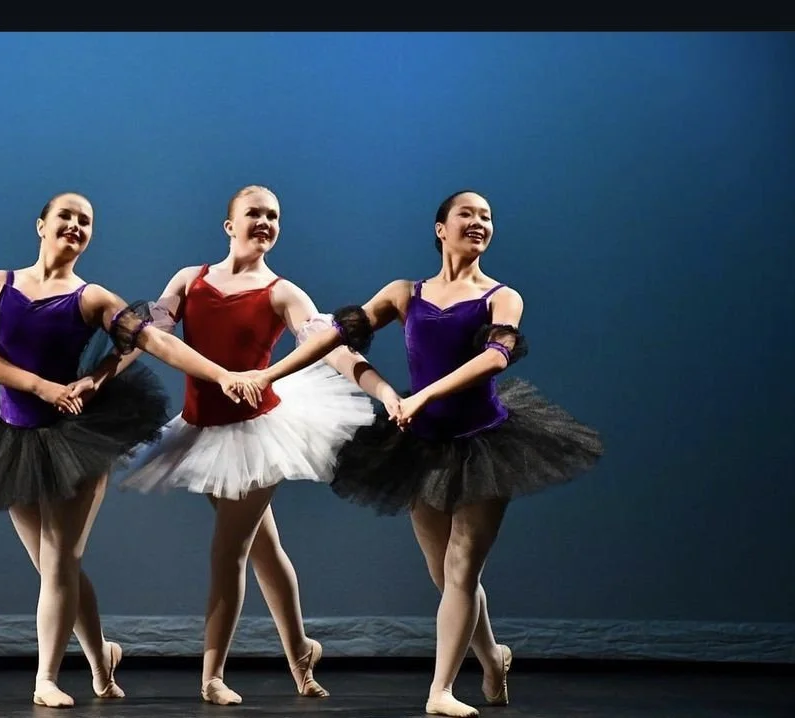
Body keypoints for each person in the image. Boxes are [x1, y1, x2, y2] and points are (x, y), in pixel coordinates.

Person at [246, 190, 604, 717]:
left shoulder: (501, 297)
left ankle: (440, 691)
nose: (479, 222)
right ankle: (493, 659)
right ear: (441, 228)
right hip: (420, 446)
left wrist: (426, 394)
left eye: (487, 217)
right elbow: (336, 339)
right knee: (444, 575)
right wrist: (280, 374)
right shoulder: (403, 294)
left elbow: (496, 357)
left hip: (485, 442)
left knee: (462, 570)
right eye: (467, 214)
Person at [0, 191, 263, 708]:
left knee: (62, 561)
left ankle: (45, 677)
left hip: (74, 440)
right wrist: (44, 388)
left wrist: (222, 374)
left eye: (86, 222)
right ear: (41, 224)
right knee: (50, 567)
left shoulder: (93, 299)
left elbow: (156, 342)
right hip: (9, 436)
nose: (76, 226)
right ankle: (102, 658)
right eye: (66, 217)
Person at [106, 185, 382, 705]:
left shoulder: (283, 292)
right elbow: (149, 335)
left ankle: (212, 674)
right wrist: (100, 376)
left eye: (273, 216)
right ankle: (302, 652)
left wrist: (370, 384)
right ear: (228, 225)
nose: (264, 222)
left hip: (257, 433)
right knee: (263, 547)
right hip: (200, 428)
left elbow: (320, 339)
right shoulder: (190, 280)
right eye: (253, 213)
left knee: (228, 551)